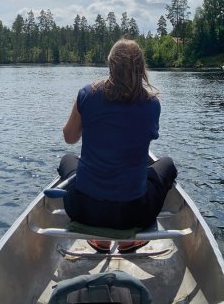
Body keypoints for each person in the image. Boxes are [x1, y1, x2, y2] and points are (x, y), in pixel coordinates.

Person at [59, 39, 177, 250]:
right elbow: (147, 137)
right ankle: (127, 241)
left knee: (67, 160)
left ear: (110, 65)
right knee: (167, 165)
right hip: (133, 213)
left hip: (83, 209)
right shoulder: (151, 103)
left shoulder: (87, 94)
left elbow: (70, 138)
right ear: (141, 68)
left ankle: (101, 240)